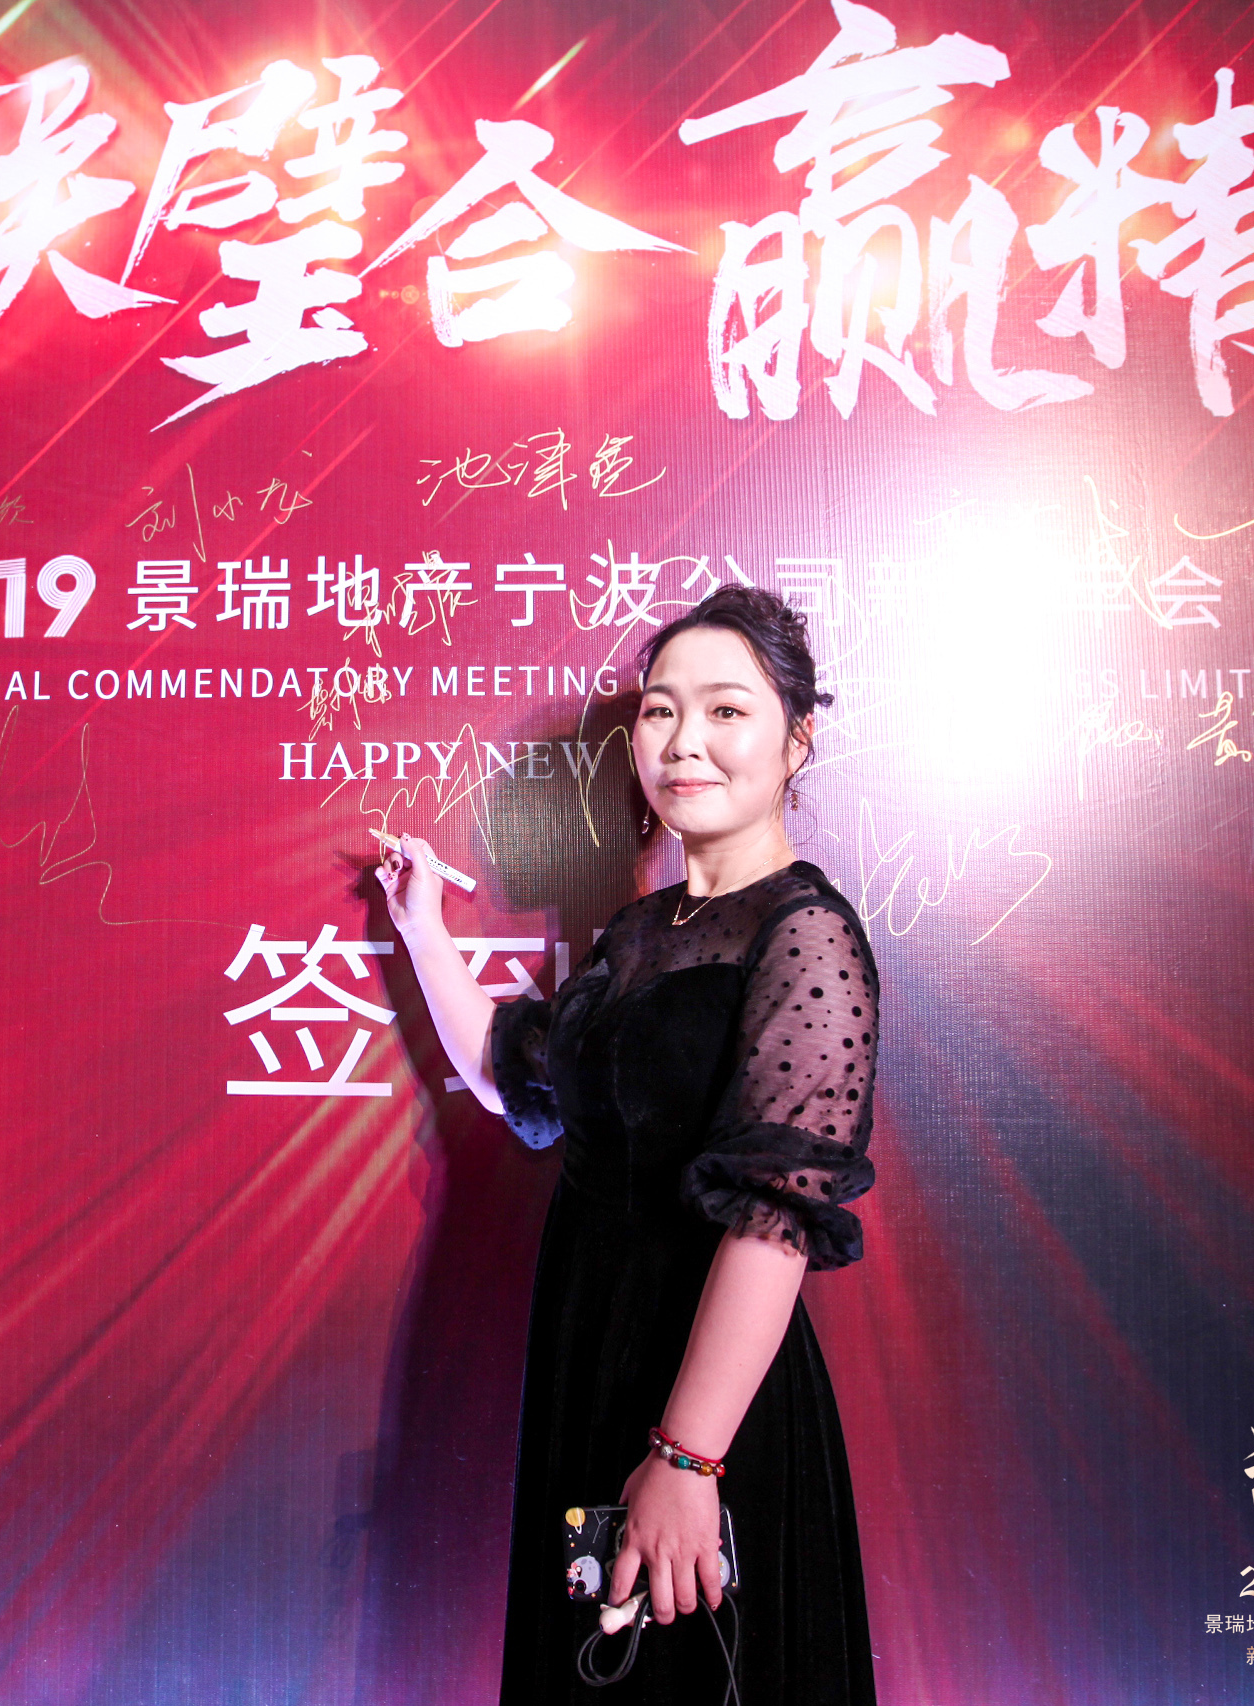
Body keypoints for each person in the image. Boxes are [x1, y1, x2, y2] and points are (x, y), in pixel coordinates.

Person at [376, 585, 881, 1704]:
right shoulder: (639, 933)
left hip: (706, 1401)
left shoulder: (806, 934)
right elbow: (516, 1080)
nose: (685, 740)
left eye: (726, 710)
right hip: (588, 1365)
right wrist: (422, 931)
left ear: (798, 739)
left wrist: (688, 1455)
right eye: (661, 711)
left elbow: (776, 1219)